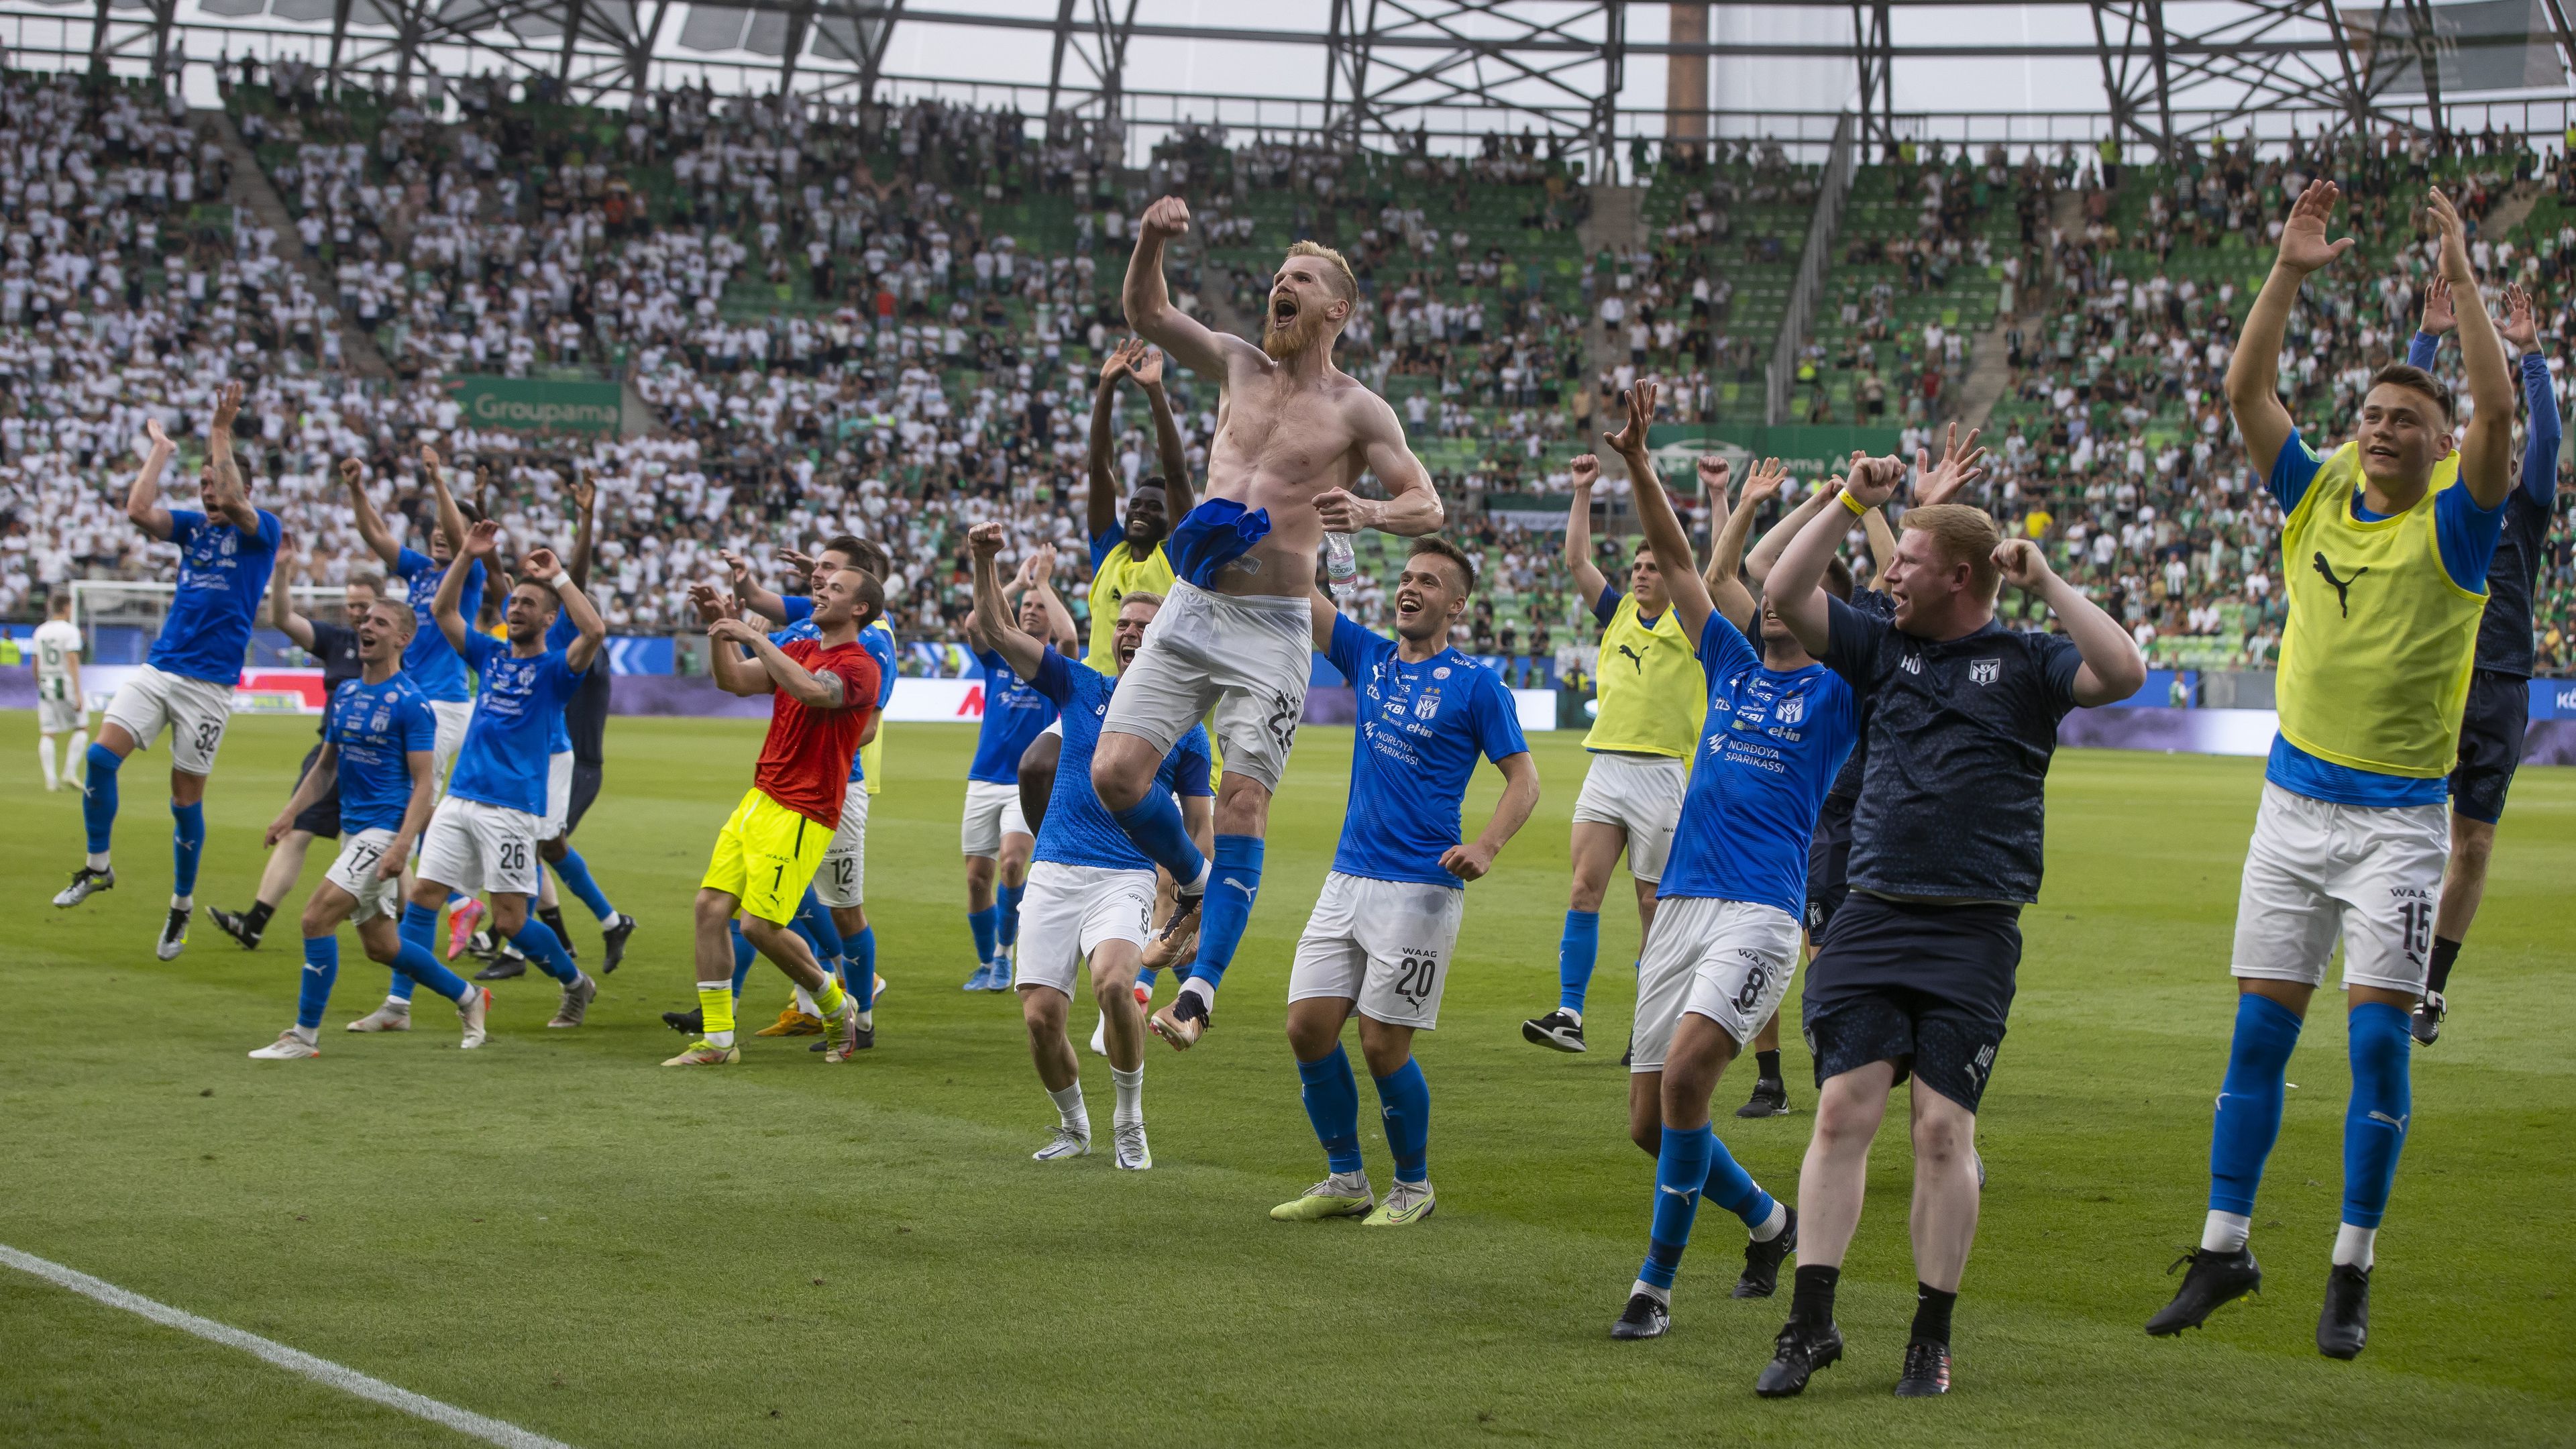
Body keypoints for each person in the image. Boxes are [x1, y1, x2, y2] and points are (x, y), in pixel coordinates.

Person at [2147, 185, 2514, 1362]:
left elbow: (2500, 416)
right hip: (2291, 815)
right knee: (2256, 1041)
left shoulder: (2456, 525)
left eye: (2406, 419)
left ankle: (2351, 1266)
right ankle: (2224, 1248)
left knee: (2372, 1048)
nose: (2381, 427)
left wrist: (2460, 282)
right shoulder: (2311, 497)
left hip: (2399, 829)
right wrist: (2287, 269)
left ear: (2441, 447)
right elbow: (2246, 393)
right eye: (2369, 413)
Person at [1759, 445, 2143, 1397]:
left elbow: (2124, 669)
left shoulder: (2026, 661)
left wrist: (2045, 577)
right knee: (1845, 1110)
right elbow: (1782, 583)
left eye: (1907, 560)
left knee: (1940, 1132)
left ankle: (1931, 1335)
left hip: (1974, 931)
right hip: (1873, 915)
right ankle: (1809, 1324)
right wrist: (1852, 498)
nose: (1888, 570)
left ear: (1960, 576)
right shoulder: (1878, 648)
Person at [1108, 197, 1444, 1051]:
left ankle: (1199, 991)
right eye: (1277, 279)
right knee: (1114, 775)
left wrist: (1367, 512)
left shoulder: (1360, 410)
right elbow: (1147, 312)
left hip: (1272, 626)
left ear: (1338, 308)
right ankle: (1190, 882)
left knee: (1243, 799)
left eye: (1299, 280)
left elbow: (1426, 502)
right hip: (1192, 605)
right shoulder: (1237, 365)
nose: (1279, 288)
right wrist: (1151, 238)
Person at [1585, 384, 1862, 1342]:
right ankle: (1767, 1221)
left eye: (1797, 589)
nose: (1774, 597)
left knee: (1690, 1083)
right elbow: (1677, 562)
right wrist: (1637, 464)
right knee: (1649, 1124)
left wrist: (1847, 503)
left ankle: (1654, 1288)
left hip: (1760, 912)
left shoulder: (1838, 693)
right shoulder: (1733, 665)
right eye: (1765, 586)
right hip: (1682, 910)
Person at [1271, 536, 1537, 1228]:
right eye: (1406, 577)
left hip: (1419, 888)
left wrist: (1487, 844)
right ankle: (1344, 1178)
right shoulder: (1370, 657)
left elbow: (1524, 779)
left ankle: (1412, 1187)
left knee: (1384, 1044)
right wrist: (1301, 520)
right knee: (1306, 1027)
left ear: (1456, 604)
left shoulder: (1478, 685)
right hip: (1347, 877)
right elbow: (1304, 593)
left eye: (1427, 581)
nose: (1409, 589)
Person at [1723, 428, 1982, 1115]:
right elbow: (1757, 563)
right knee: (1814, 957)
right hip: (1818, 819)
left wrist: (1880, 508)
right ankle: (1804, 1078)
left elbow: (1904, 579)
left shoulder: (1863, 628)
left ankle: (1923, 1104)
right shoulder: (1794, 623)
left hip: (1873, 817)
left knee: (1855, 966)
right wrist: (1838, 497)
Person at [965, 521, 1211, 1167]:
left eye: (1144, 626)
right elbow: (996, 632)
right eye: (1124, 624)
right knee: (1041, 1019)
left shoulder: (1186, 729)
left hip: (1123, 876)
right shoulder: (1079, 687)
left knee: (1112, 984)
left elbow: (1198, 826)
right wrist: (983, 560)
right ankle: (1074, 1125)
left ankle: (1129, 1118)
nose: (1130, 633)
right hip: (1053, 871)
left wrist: (1190, 905)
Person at [342, 522, 605, 1036]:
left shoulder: (556, 669)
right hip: (460, 798)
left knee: (509, 921)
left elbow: (593, 632)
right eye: (515, 601)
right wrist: (467, 554)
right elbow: (442, 612)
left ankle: (575, 985)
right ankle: (398, 1006)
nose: (517, 608)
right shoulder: (490, 654)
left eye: (529, 604)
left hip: (511, 809)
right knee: (422, 900)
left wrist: (560, 577)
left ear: (550, 618)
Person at [56, 388, 283, 967]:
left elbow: (233, 497)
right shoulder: (193, 529)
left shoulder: (261, 532)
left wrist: (219, 431)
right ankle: (98, 867)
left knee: (185, 802)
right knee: (101, 761)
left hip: (208, 688)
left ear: (244, 491)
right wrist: (160, 450)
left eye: (217, 486)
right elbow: (138, 511)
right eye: (203, 486)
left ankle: (181, 904)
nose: (209, 495)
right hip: (161, 668)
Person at [2400, 279, 2561, 1046]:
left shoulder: (2522, 506)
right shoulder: (2429, 496)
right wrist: (2426, 341)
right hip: (2432, 678)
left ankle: (2429, 990)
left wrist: (2532, 357)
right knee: (2400, 830)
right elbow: (2400, 434)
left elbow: (2550, 444)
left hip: (2499, 685)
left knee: (2476, 844)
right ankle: (2387, 967)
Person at [1012, 336, 1195, 965]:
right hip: (1092, 693)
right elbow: (1100, 470)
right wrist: (1105, 389)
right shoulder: (1109, 554)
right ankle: (1060, 859)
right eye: (1134, 506)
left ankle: (1171, 954)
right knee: (1036, 767)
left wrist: (1154, 393)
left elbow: (1175, 477)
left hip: (1158, 702)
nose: (1142, 511)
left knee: (1173, 855)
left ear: (1169, 521)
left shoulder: (1177, 560)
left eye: (1153, 509)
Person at [663, 559, 888, 1067]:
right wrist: (720, 632)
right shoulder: (802, 647)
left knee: (759, 928)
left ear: (860, 608)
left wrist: (756, 636)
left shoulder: (861, 664)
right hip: (761, 797)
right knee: (709, 908)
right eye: (823, 584)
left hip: (805, 809)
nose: (821, 590)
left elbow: (814, 691)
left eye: (836, 587)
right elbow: (735, 682)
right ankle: (718, 1041)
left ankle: (835, 1007)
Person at [1519, 450, 1708, 1055]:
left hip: (1660, 772)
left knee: (1653, 905)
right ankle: (1570, 1015)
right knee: (1583, 890)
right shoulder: (1619, 611)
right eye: (1637, 565)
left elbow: (1715, 574)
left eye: (1653, 566)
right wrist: (1582, 492)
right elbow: (1576, 560)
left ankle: (1649, 1026)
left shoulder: (1692, 624)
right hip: (1606, 766)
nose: (1642, 574)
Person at [246, 597, 489, 1057]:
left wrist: (401, 846)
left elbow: (423, 785)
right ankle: (470, 997)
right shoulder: (347, 695)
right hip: (354, 832)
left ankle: (303, 1036)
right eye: (364, 620)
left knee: (315, 918)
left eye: (380, 621)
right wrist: (288, 815)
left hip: (383, 834)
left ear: (403, 639)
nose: (365, 625)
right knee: (381, 946)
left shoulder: (412, 704)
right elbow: (324, 769)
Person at [726, 534, 898, 1041]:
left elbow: (865, 725)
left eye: (829, 570)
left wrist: (818, 737)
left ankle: (860, 1011)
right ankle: (808, 995)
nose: (816, 577)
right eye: (816, 569)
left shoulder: (874, 642)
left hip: (838, 789)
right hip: (784, 790)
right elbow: (759, 624)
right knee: (774, 897)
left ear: (860, 588)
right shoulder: (813, 620)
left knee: (843, 907)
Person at [482, 468, 637, 978]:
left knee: (531, 844)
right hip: (546, 760)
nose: (521, 608)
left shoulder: (579, 646)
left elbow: (579, 575)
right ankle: (606, 923)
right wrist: (483, 531)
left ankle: (516, 948)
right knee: (545, 845)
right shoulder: (536, 645)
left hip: (578, 763)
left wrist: (587, 517)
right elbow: (506, 588)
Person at [343, 446, 487, 957]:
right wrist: (358, 490)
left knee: (417, 796)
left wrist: (438, 480)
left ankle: (454, 899)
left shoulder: (468, 574)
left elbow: (462, 535)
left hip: (445, 704)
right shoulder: (422, 571)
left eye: (450, 531)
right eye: (436, 532)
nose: (440, 535)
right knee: (416, 801)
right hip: (414, 701)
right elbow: (378, 537)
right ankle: (447, 901)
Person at [208, 549, 380, 950]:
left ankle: (422, 921)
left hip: (375, 761)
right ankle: (254, 923)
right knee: (296, 833)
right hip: (330, 755)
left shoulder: (401, 646)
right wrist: (282, 571)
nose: (356, 613)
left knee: (379, 844)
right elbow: (282, 619)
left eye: (364, 606)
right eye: (351, 605)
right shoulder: (337, 641)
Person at [961, 547, 1076, 991]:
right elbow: (975, 623)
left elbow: (1068, 639)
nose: (1031, 612)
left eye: (1039, 608)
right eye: (1026, 607)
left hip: (1025, 785)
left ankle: (1005, 956)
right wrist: (1018, 581)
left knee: (1011, 863)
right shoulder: (999, 658)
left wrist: (1044, 584)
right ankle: (986, 961)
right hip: (983, 778)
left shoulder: (1054, 668)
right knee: (976, 879)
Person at [32, 592, 88, 794]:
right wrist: (78, 692)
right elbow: (72, 661)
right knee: (82, 727)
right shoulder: (70, 631)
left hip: (46, 683)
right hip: (65, 683)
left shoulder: (40, 631)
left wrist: (38, 683)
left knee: (48, 732)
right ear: (65, 608)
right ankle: (70, 772)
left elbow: (35, 661)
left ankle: (51, 780)